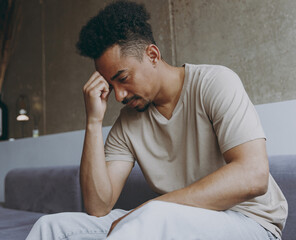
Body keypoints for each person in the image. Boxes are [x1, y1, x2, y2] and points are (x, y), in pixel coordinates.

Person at [26, 1, 288, 239]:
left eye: (123, 78)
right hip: (176, 221)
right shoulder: (127, 123)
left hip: (251, 222)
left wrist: (149, 208)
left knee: (152, 217)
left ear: (152, 55)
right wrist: (94, 121)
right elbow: (98, 206)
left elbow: (252, 176)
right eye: (110, 84)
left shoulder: (215, 83)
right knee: (51, 227)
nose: (118, 95)